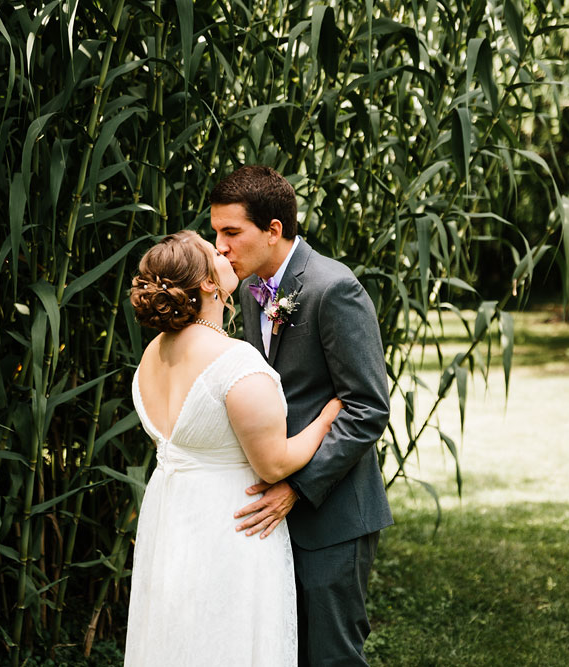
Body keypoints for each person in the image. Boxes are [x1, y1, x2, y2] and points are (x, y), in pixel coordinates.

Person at [124, 230, 342, 666]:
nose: (222, 249)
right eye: (213, 250)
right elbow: (275, 462)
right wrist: (325, 418)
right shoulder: (236, 363)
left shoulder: (153, 354)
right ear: (208, 283)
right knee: (227, 638)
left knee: (178, 637)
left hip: (171, 518)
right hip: (231, 525)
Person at [210, 165, 393, 666]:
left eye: (231, 233)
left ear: (273, 230)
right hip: (271, 514)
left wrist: (296, 487)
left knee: (330, 656)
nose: (220, 247)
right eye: (216, 234)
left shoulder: (334, 289)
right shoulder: (251, 292)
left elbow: (368, 407)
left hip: (331, 512)